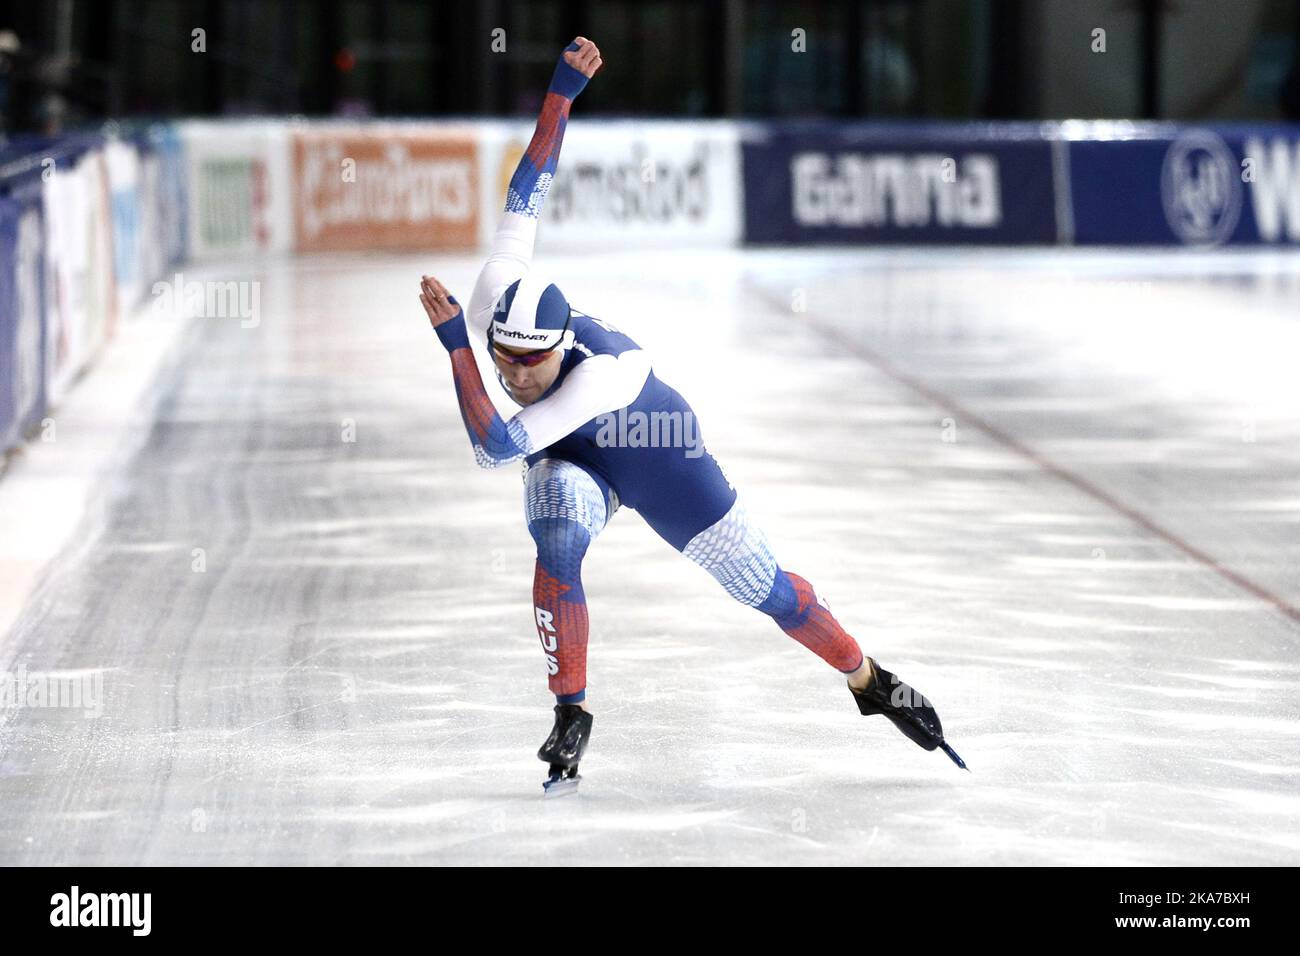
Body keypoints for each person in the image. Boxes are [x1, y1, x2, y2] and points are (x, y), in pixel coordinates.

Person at [419, 37, 965, 793]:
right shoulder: (497, 294)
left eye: (527, 364)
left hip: (652, 440)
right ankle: (571, 710)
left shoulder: (603, 374)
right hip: (571, 451)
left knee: (764, 590)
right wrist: (561, 93)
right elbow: (531, 182)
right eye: (500, 358)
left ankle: (869, 679)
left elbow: (491, 446)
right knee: (556, 540)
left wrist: (456, 350)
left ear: (560, 343)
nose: (512, 375)